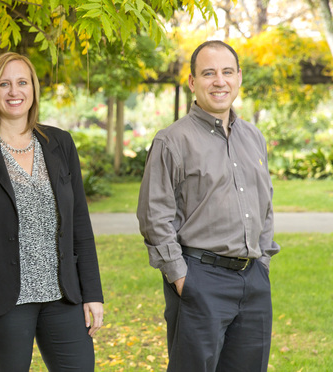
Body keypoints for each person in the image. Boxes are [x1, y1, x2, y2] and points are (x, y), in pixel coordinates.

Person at [0, 52, 104, 371]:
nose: (14, 91)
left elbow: (80, 226)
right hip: (5, 301)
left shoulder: (60, 143)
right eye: (4, 84)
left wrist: (93, 293)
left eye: (22, 82)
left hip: (63, 297)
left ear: (33, 89)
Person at [136, 40, 280, 372]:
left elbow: (265, 206)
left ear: (239, 77)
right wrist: (181, 277)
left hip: (253, 281)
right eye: (209, 73)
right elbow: (154, 215)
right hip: (200, 278)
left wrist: (263, 263)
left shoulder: (254, 137)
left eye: (227, 72)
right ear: (192, 82)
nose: (220, 81)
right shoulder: (172, 140)